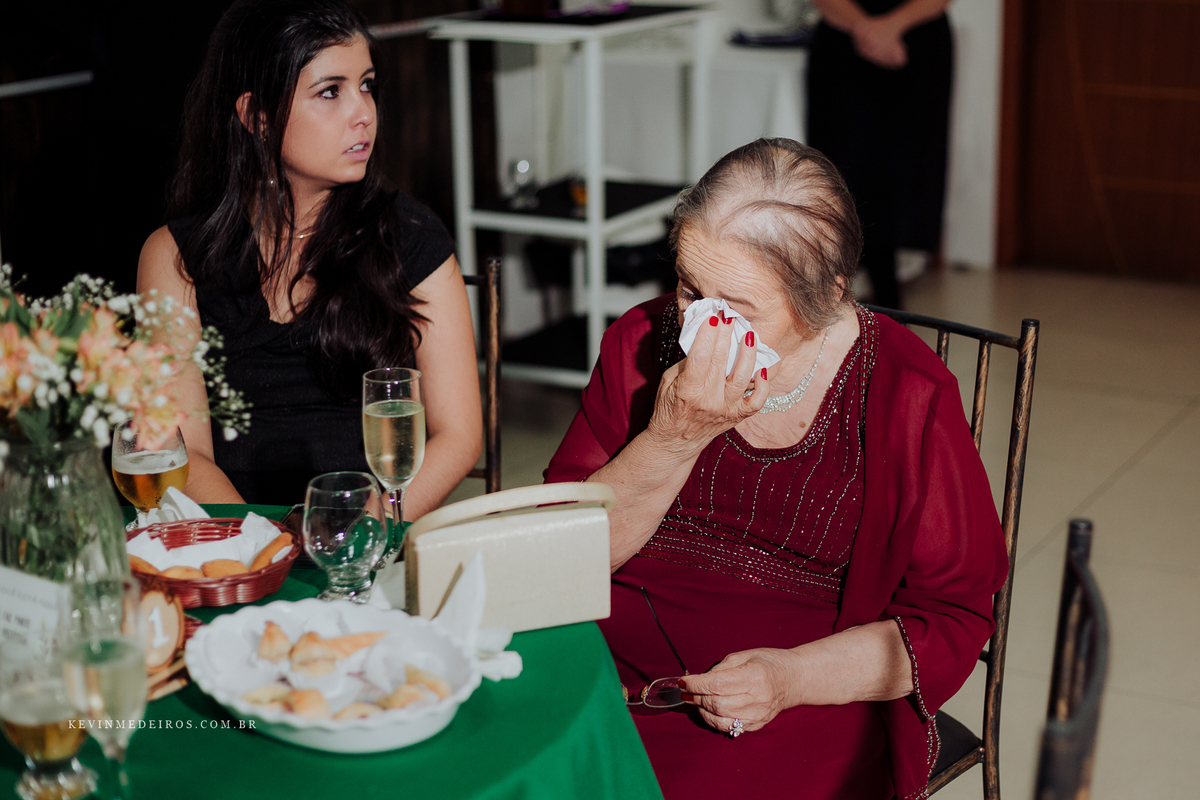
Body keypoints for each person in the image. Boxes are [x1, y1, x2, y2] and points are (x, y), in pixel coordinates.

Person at [545, 139, 1006, 799]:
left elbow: (951, 618)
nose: (699, 326)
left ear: (825, 296)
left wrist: (789, 680)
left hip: (796, 701)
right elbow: (552, 565)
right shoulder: (641, 342)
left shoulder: (908, 394)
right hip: (604, 669)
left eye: (736, 306)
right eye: (688, 287)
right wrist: (671, 437)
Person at [137, 0, 481, 509]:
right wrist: (259, 548)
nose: (364, 113)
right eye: (330, 92)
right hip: (230, 543)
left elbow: (458, 436)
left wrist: (357, 533)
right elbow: (181, 450)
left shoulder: (408, 236)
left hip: (373, 535)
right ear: (256, 117)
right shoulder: (178, 257)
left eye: (366, 85)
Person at [806, 0, 955, 309]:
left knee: (902, 178)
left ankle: (887, 304)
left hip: (915, 44)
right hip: (842, 46)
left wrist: (891, 26)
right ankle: (847, 300)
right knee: (842, 177)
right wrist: (868, 30)